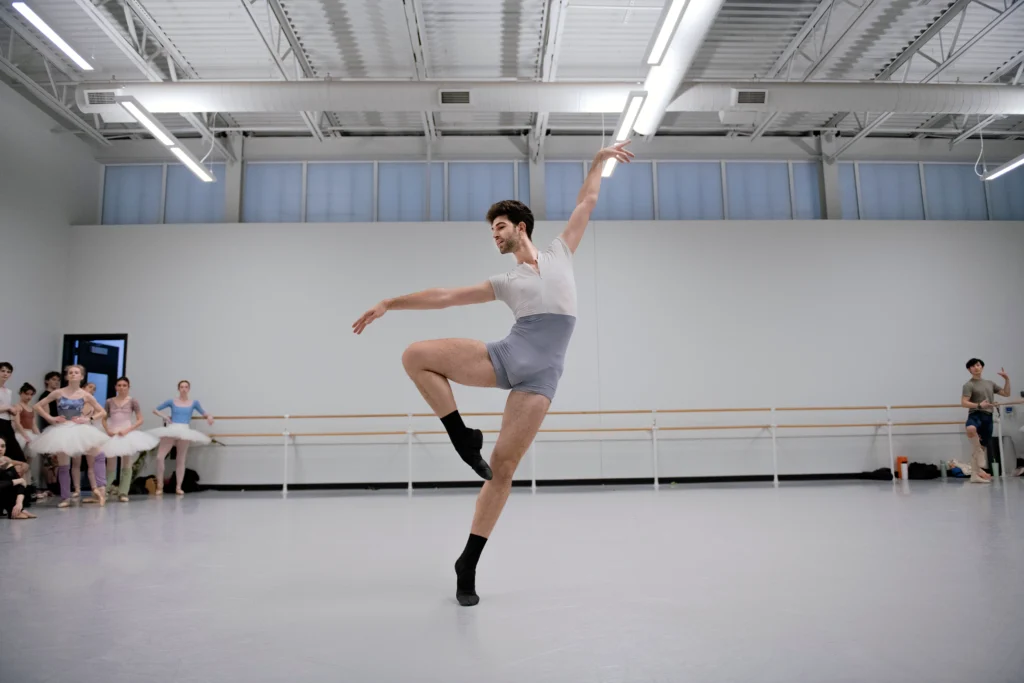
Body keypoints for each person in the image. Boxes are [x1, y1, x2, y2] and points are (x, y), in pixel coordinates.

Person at [353, 141, 634, 606]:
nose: (494, 235)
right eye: (491, 230)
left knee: (502, 470)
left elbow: (587, 200)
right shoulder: (505, 282)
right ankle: (462, 436)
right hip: (507, 356)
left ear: (519, 227)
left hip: (541, 380)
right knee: (415, 354)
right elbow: (444, 296)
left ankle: (468, 562)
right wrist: (390, 302)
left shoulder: (562, 252)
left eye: (498, 227)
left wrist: (598, 160)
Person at [32, 365, 109, 508]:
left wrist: (89, 419)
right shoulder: (58, 393)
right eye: (70, 373)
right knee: (63, 465)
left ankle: (101, 488)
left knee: (99, 454)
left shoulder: (85, 395)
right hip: (62, 429)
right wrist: (50, 418)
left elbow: (102, 412)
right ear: (67, 376)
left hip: (80, 428)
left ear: (81, 377)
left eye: (76, 372)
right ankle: (65, 497)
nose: (73, 374)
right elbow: (37, 406)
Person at [149, 380, 214, 496]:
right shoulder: (172, 401)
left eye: (186, 387)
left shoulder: (194, 402)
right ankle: (160, 486)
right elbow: (155, 409)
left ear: (189, 389)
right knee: (159, 457)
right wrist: (165, 417)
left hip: (185, 430)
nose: (184, 389)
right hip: (172, 429)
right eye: (181, 387)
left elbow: (204, 412)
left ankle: (178, 487)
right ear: (178, 389)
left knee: (181, 460)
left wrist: (209, 417)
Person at [101, 377, 158, 502]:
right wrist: (108, 430)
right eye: (119, 385)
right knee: (110, 464)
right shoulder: (109, 401)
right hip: (113, 433)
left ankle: (123, 492)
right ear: (116, 387)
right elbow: (103, 418)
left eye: (124, 385)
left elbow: (140, 419)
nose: (121, 388)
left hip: (127, 433)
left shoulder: (133, 401)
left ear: (128, 387)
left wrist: (128, 430)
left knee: (127, 463)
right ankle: (105, 490)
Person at [961, 358, 1011, 483]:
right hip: (975, 413)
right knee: (971, 428)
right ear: (969, 369)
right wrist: (979, 405)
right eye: (972, 366)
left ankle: (975, 475)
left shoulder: (990, 383)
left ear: (982, 367)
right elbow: (964, 403)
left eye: (978, 365)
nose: (976, 367)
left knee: (980, 447)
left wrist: (1007, 379)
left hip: (988, 416)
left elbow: (1006, 393)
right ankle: (979, 460)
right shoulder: (969, 385)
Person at [0, 438, 35, 520]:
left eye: (3, 446)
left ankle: (17, 509)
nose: (0, 449)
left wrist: (19, 504)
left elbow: (21, 483)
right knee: (16, 480)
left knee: (15, 473)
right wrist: (17, 480)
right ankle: (11, 509)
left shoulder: (6, 460)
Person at [0, 362, 27, 463]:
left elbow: (8, 410)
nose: (5, 374)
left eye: (8, 372)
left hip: (6, 424)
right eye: (2, 371)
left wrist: (13, 411)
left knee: (16, 455)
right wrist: (8, 407)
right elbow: (6, 407)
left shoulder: (8, 391)